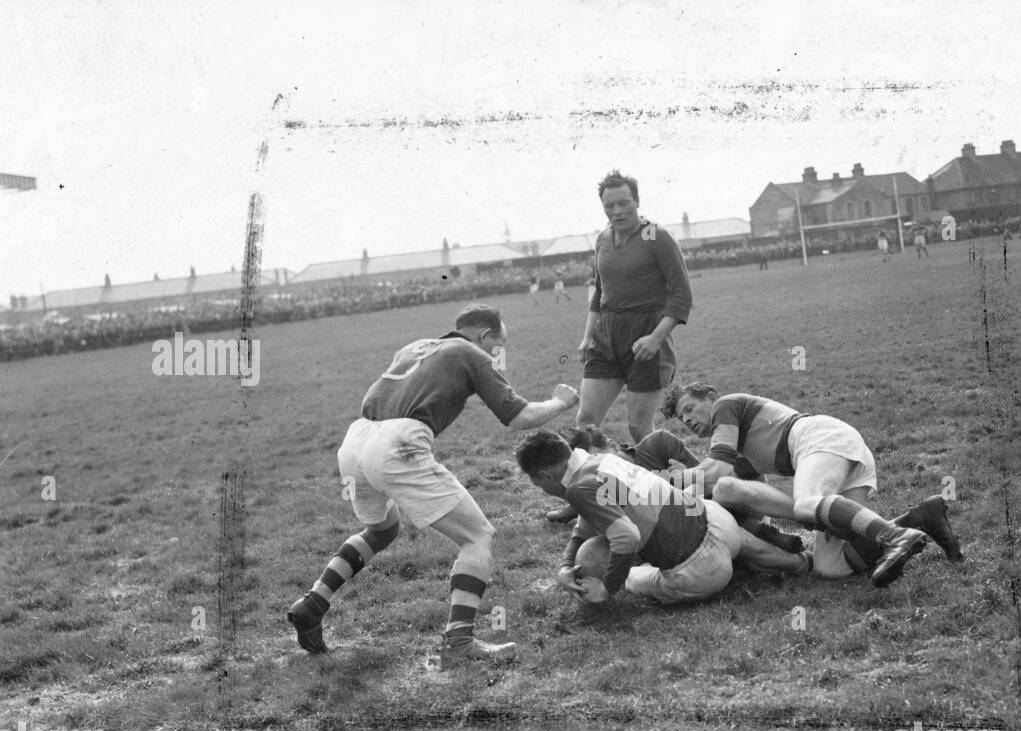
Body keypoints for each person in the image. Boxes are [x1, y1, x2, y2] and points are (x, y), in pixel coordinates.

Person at [287, 304, 580, 665]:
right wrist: (561, 401)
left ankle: (312, 604)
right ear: (484, 335)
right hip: (398, 443)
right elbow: (520, 417)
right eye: (497, 345)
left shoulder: (415, 346)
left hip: (356, 440)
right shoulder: (472, 352)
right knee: (478, 537)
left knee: (381, 530)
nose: (496, 354)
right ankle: (459, 643)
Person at [661, 384, 956, 587]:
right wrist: (768, 536)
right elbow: (748, 495)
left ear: (710, 396)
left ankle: (895, 535)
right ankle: (921, 517)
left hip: (820, 439)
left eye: (689, 408)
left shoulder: (725, 407)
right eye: (681, 418)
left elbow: (718, 471)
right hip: (840, 450)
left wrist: (670, 481)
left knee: (804, 503)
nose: (687, 419)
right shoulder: (740, 448)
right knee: (830, 567)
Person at [545, 170, 693, 525]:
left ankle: (686, 494)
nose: (616, 210)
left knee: (640, 430)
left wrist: (656, 337)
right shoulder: (602, 239)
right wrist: (587, 335)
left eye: (623, 203)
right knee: (585, 422)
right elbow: (599, 293)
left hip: (646, 336)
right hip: (605, 338)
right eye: (609, 205)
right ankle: (581, 500)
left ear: (637, 201)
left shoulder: (658, 237)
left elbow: (681, 294)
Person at [516, 429, 810, 606]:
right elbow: (584, 524)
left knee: (617, 568)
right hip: (719, 522)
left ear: (544, 474)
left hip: (700, 572)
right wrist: (565, 565)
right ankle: (799, 563)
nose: (543, 489)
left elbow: (625, 538)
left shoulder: (579, 488)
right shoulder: (603, 460)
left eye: (538, 484)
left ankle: (633, 578)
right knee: (709, 529)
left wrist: (608, 588)